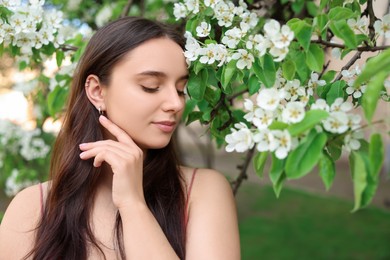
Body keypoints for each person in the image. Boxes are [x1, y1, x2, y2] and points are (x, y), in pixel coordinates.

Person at [0, 16, 240, 259]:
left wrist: (133, 204)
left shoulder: (202, 191)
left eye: (180, 89)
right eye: (151, 86)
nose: (176, 103)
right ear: (97, 91)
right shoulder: (33, 208)